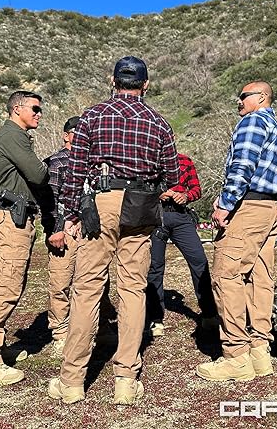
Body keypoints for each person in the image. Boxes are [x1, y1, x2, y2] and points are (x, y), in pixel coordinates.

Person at [48, 56, 180, 405]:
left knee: (88, 288)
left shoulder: (91, 116)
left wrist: (71, 215)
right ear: (145, 84)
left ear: (113, 80)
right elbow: (174, 175)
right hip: (140, 204)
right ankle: (125, 379)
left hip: (102, 202)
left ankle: (72, 381)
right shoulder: (160, 123)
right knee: (133, 290)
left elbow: (75, 171)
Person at [196, 81, 277, 382]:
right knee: (259, 279)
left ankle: (236, 356)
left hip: (248, 210)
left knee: (226, 276)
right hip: (270, 210)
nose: (239, 102)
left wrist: (225, 204)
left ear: (261, 98)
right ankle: (259, 352)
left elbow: (241, 168)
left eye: (243, 96)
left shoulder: (252, 123)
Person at [0, 91, 48, 385]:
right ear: (17, 109)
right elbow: (38, 175)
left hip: (15, 217)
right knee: (6, 286)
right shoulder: (12, 135)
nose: (39, 113)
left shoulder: (15, 136)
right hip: (11, 218)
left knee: (10, 282)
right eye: (35, 108)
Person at [146, 153, 218, 337]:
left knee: (199, 260)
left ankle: (209, 314)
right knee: (154, 266)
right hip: (155, 216)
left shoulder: (186, 161)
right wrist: (157, 193)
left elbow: (197, 189)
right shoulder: (148, 158)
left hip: (180, 216)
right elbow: (140, 188)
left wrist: (185, 196)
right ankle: (155, 318)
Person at [40, 116, 80, 356]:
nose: (80, 135)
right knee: (60, 283)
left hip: (89, 229)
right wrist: (56, 229)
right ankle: (60, 332)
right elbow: (50, 201)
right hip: (64, 231)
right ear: (66, 135)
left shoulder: (92, 162)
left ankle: (94, 330)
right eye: (75, 132)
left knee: (93, 282)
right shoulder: (56, 162)